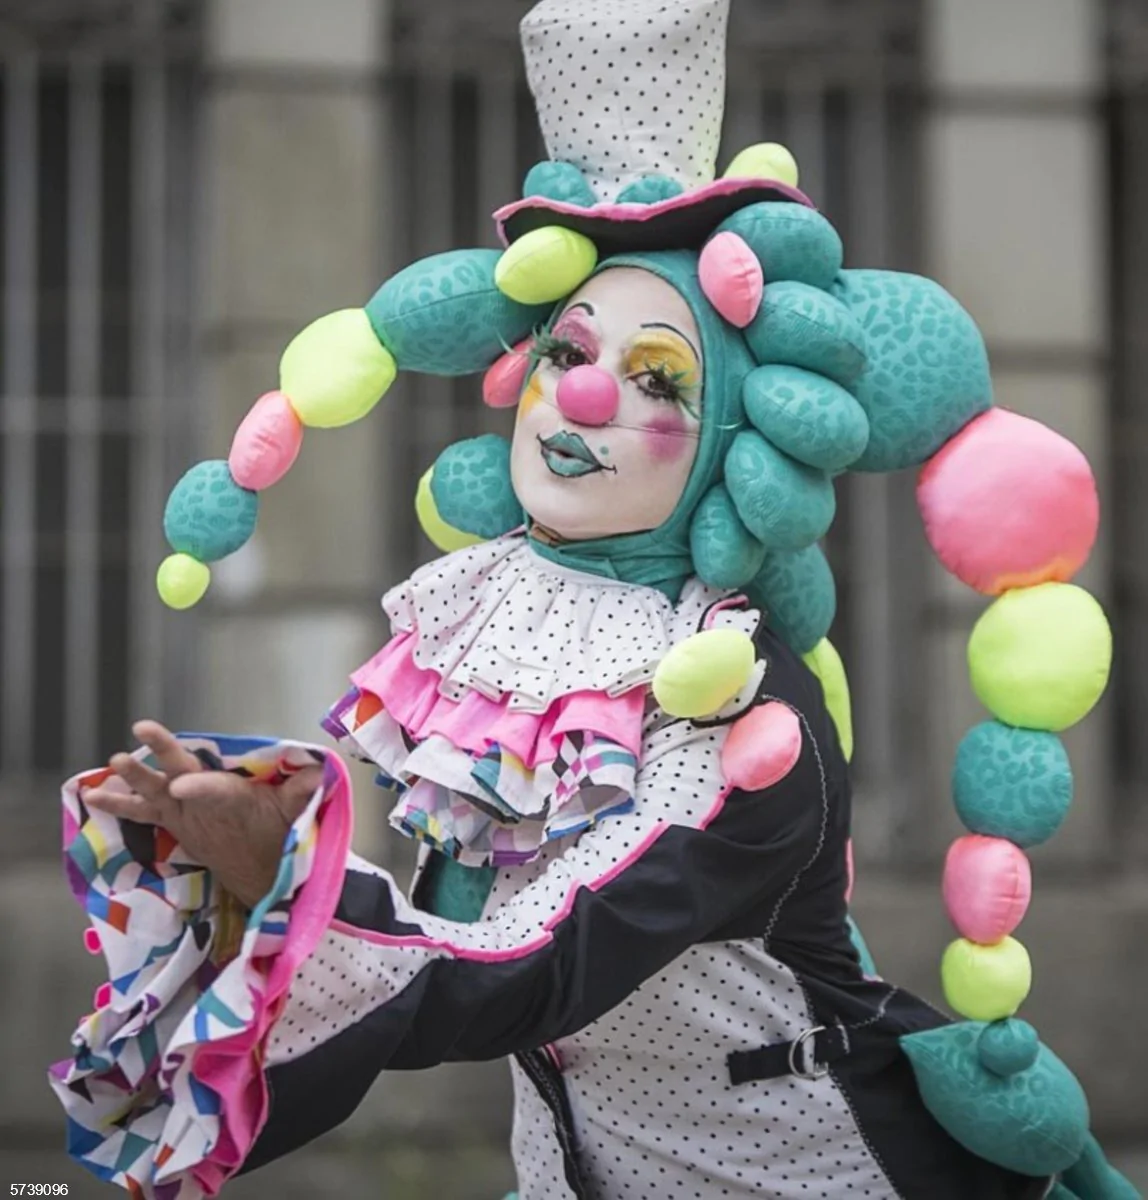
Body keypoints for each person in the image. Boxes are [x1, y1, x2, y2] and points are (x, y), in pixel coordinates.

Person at [50, 3, 1136, 1199]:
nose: (578, 401)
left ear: (727, 435)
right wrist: (262, 870)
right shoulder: (489, 647)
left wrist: (302, 884)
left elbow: (541, 957)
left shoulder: (733, 709)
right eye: (568, 353)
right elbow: (459, 925)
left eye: (654, 376)